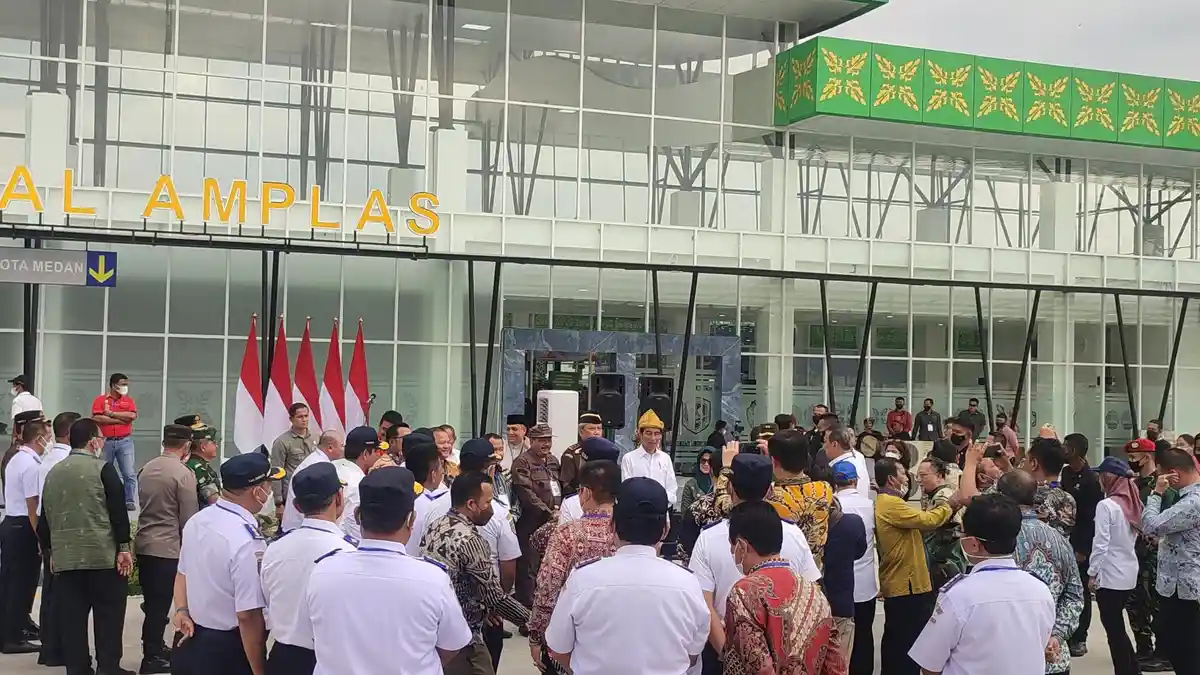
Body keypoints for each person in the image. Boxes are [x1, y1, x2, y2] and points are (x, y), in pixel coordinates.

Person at [302, 466, 471, 673]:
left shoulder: (323, 571)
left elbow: (313, 634)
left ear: (357, 516)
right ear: (411, 520)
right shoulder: (433, 579)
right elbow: (452, 645)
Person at [545, 477, 709, 675]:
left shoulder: (582, 580)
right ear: (665, 530)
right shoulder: (687, 583)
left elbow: (559, 649)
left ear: (611, 526)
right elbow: (692, 655)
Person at [690, 453, 820, 675]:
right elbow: (811, 597)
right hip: (785, 654)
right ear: (770, 489)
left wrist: (728, 656)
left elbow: (704, 606)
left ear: (730, 487)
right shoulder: (793, 533)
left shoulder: (708, 537)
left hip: (722, 648)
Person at [908, 493, 1056, 675]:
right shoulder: (1041, 590)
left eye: (961, 532)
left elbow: (930, 665)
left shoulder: (958, 596)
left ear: (973, 544)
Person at [170, 453, 284, 675]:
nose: (270, 492)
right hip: (228, 650)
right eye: (269, 484)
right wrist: (259, 670)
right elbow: (247, 615)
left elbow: (182, 573)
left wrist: (181, 610)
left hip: (192, 639)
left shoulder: (198, 521)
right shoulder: (246, 541)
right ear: (256, 491)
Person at [38, 418, 134, 675]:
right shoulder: (103, 469)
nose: (102, 443)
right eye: (101, 438)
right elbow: (117, 511)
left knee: (72, 620)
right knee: (109, 617)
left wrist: (50, 551)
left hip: (67, 560)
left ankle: (78, 668)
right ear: (93, 441)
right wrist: (124, 547)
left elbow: (44, 520)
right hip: (103, 557)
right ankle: (108, 667)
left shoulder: (53, 473)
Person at [415, 438, 521, 669]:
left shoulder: (437, 524)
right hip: (463, 637)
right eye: (488, 502)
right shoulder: (472, 541)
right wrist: (533, 622)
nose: (491, 508)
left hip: (432, 627)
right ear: (472, 504)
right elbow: (496, 596)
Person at [528, 441, 622, 673]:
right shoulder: (627, 531)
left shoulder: (569, 533)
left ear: (586, 492)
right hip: (620, 632)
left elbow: (548, 587)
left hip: (572, 635)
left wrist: (536, 635)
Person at [722, 500, 846, 675]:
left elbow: (759, 668)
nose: (732, 551)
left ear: (742, 546)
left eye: (732, 545)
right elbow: (836, 663)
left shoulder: (744, 592)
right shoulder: (813, 590)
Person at [261, 463, 356, 675]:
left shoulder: (274, 549)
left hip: (282, 657)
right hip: (328, 660)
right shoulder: (349, 553)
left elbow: (266, 604)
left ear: (296, 506)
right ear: (339, 498)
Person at [996, 471, 1083, 675]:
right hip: (1053, 657)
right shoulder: (1059, 539)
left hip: (1008, 660)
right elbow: (1074, 596)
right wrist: (1057, 636)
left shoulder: (997, 540)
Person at [874, 456, 952, 675]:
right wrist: (951, 504)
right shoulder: (891, 504)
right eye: (902, 473)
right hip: (906, 586)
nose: (907, 477)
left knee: (898, 640)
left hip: (904, 583)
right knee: (906, 644)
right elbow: (928, 521)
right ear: (891, 479)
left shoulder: (890, 502)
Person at [135, 423, 201, 674]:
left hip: (144, 543)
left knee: (152, 603)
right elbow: (189, 518)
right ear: (186, 446)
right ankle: (151, 656)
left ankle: (154, 648)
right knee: (161, 606)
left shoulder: (146, 468)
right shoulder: (183, 474)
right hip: (169, 547)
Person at [1140, 447, 1200, 675]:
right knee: (1180, 652)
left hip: (1186, 591)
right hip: (1178, 588)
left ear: (1173, 474)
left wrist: (1156, 493)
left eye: (1160, 474)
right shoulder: (1187, 498)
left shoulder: (1192, 502)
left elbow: (1151, 525)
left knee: (1187, 656)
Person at [0, 413, 49, 653]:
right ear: (38, 439)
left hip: (11, 524)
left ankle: (13, 629)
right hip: (23, 527)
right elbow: (33, 506)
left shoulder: (16, 458)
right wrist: (40, 536)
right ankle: (12, 637)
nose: (48, 441)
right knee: (20, 585)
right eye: (46, 437)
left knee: (10, 582)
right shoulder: (30, 465)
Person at [1089, 457, 1142, 675]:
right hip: (1128, 573)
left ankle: (1125, 670)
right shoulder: (1133, 504)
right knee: (1118, 628)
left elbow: (1100, 543)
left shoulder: (1106, 505)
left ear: (1107, 478)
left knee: (1114, 631)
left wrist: (1092, 573)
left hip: (1109, 576)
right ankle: (1133, 670)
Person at [1124, 438, 1173, 671]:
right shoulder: (1132, 483)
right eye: (1130, 457)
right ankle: (1143, 648)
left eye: (1136, 457)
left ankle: (1164, 653)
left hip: (1156, 554)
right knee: (1135, 604)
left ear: (1148, 456)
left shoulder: (1162, 485)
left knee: (1157, 605)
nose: (1131, 461)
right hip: (1135, 553)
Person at [34, 410, 78, 667]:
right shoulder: (65, 462)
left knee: (51, 593)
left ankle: (49, 647)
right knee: (63, 595)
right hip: (63, 532)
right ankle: (57, 648)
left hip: (49, 529)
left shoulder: (47, 459)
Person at [762, 428, 840, 568]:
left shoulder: (770, 498)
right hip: (814, 573)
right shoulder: (824, 489)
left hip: (781, 572)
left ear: (774, 462)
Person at [1060, 432, 1104, 659]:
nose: (1063, 450)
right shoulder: (1066, 473)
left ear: (1076, 451)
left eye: (1066, 446)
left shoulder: (1090, 480)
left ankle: (1080, 637)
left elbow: (1091, 518)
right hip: (1064, 539)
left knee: (1081, 591)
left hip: (1081, 542)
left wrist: (1083, 549)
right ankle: (1067, 633)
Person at [832, 461, 877, 675]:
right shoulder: (870, 505)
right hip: (865, 585)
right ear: (855, 481)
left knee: (838, 644)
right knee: (864, 638)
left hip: (839, 586)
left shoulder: (830, 506)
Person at [511, 423, 562, 606]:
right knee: (528, 569)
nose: (546, 444)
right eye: (541, 440)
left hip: (554, 522)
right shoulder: (522, 462)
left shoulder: (553, 461)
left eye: (548, 440)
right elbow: (526, 493)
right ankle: (526, 615)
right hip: (531, 522)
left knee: (548, 566)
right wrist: (548, 513)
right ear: (531, 441)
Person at [822, 481, 867, 666]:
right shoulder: (852, 523)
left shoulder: (797, 527)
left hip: (808, 608)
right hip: (841, 605)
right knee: (840, 665)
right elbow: (860, 551)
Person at [917, 456, 966, 592]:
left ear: (939, 476)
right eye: (918, 476)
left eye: (923, 476)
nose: (920, 481)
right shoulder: (943, 493)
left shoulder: (942, 497)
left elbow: (932, 524)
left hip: (944, 561)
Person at [281, 429, 345, 533]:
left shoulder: (318, 461)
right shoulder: (318, 467)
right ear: (330, 448)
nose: (343, 449)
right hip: (300, 527)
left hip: (304, 526)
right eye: (342, 445)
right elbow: (316, 505)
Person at [92, 373, 138, 511]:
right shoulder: (100, 400)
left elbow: (132, 415)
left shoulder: (128, 401)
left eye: (126, 384)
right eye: (122, 384)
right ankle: (105, 500)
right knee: (104, 472)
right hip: (106, 442)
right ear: (113, 385)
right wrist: (120, 420)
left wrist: (111, 414)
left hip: (124, 441)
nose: (125, 387)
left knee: (129, 473)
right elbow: (97, 418)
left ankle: (129, 500)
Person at [334, 426, 386, 544]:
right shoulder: (360, 483)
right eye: (376, 451)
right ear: (366, 454)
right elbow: (353, 526)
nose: (378, 455)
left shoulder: (331, 466)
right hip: (342, 546)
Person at [270, 403, 319, 522]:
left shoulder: (316, 438)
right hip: (292, 495)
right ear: (291, 419)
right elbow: (277, 472)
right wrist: (278, 503)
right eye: (300, 417)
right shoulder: (282, 442)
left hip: (314, 493)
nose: (304, 420)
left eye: (306, 416)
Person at [620, 409, 678, 509]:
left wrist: (658, 501)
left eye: (656, 434)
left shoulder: (665, 458)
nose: (653, 438)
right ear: (640, 434)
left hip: (660, 513)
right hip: (636, 513)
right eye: (648, 433)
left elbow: (672, 491)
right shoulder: (629, 458)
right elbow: (627, 490)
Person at [176, 414, 221, 508]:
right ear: (203, 447)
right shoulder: (198, 468)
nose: (216, 446)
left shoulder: (194, 463)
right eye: (214, 442)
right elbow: (214, 501)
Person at [559, 411, 603, 499]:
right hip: (578, 501)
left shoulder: (606, 452)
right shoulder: (571, 454)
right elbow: (567, 487)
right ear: (581, 432)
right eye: (592, 428)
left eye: (599, 428)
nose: (596, 432)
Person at [826, 423, 870, 500]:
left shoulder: (847, 466)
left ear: (834, 444)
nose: (824, 446)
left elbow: (844, 499)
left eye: (825, 441)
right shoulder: (853, 461)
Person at [679, 447, 716, 518]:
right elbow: (685, 513)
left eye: (710, 461)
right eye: (703, 460)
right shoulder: (690, 485)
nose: (706, 464)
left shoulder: (720, 483)